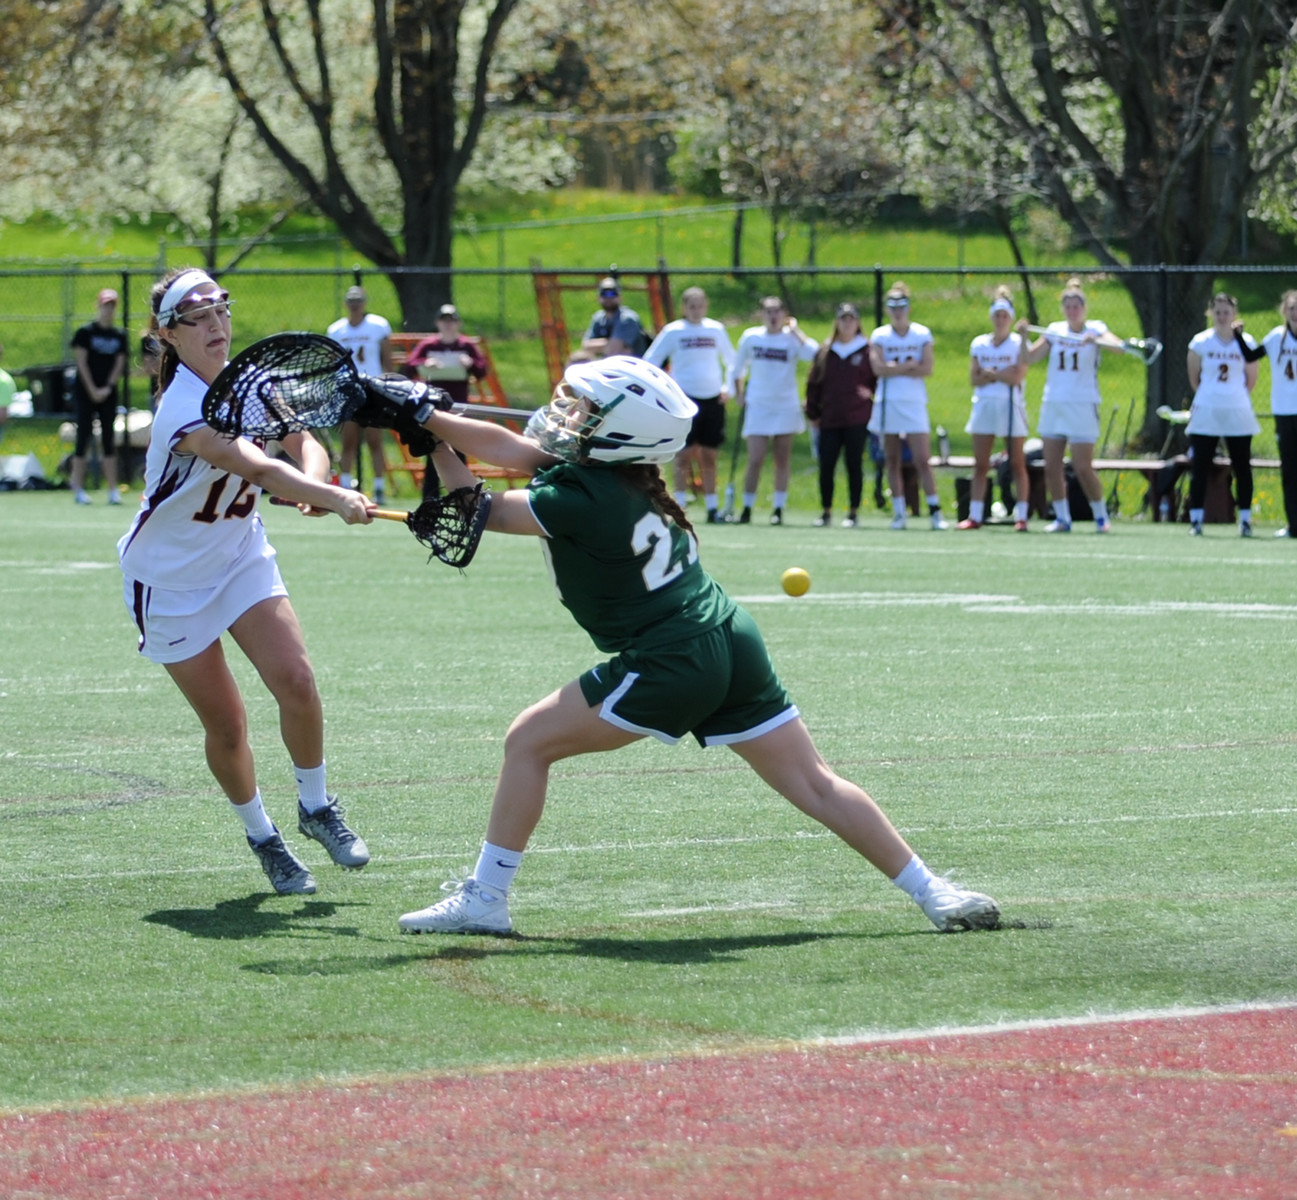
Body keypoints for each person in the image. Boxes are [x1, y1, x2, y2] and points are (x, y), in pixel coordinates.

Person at [392, 356, 1001, 936]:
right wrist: (432, 423)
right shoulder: (613, 475)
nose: (569, 414)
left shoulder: (582, 496)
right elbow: (509, 451)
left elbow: (478, 511)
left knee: (528, 741)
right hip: (729, 636)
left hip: (672, 656)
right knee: (814, 782)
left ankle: (486, 898)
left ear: (620, 433)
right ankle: (934, 892)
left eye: (586, 410)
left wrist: (430, 427)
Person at [118, 267, 376, 895]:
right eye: (198, 317)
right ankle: (264, 838)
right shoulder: (181, 408)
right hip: (170, 581)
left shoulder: (251, 383)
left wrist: (318, 482)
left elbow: (302, 443)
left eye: (221, 311)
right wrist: (330, 497)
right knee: (229, 725)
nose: (216, 325)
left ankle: (316, 806)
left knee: (298, 681)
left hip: (240, 557)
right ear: (168, 334)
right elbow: (256, 465)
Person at [1020, 278, 1131, 533]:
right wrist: (1023, 337)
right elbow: (1030, 358)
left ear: (1084, 308)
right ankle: (1062, 518)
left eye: (1076, 307)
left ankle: (1101, 516)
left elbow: (1119, 347)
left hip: (1082, 404)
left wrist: (1096, 340)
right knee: (1052, 465)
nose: (1072, 311)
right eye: (1068, 307)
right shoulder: (1055, 330)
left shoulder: (1096, 328)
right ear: (1063, 309)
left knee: (1082, 466)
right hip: (1054, 403)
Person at [1234, 290, 1297, 539]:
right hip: (1285, 412)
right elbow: (1252, 355)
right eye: (1291, 308)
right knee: (1291, 471)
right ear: (1284, 311)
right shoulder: (1276, 337)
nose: (1295, 313)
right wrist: (1238, 336)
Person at [644, 286, 736, 523]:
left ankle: (712, 507)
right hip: (684, 400)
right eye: (691, 306)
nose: (696, 310)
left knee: (709, 454)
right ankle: (679, 505)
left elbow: (732, 362)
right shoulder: (673, 331)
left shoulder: (715, 329)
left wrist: (729, 388)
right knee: (683, 454)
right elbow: (651, 361)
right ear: (684, 308)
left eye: (700, 305)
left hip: (713, 399)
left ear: (706, 306)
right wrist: (666, 391)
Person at [730, 296, 817, 524]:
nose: (773, 316)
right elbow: (737, 369)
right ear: (762, 314)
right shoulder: (751, 337)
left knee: (782, 459)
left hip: (785, 405)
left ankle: (778, 508)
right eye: (768, 311)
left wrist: (796, 331)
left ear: (784, 314)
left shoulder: (791, 339)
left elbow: (815, 354)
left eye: (777, 311)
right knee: (755, 458)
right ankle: (747, 507)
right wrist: (739, 393)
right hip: (759, 404)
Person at [869, 283, 947, 530]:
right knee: (891, 459)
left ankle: (935, 511)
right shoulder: (880, 335)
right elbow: (878, 368)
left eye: (901, 306)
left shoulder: (922, 334)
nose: (897, 311)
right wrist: (908, 366)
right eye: (892, 306)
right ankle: (899, 513)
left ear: (909, 307)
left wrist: (895, 368)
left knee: (922, 459)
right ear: (887, 309)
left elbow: (927, 368)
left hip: (913, 403)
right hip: (888, 402)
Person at [1184, 292, 1261, 537]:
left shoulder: (1246, 341)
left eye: (1226, 312)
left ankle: (1245, 520)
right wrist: (1213, 395)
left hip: (1237, 409)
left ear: (1234, 314)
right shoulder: (1200, 342)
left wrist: (1232, 396)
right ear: (1211, 313)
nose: (1222, 316)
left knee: (1242, 465)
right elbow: (1194, 378)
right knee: (1200, 465)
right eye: (1217, 312)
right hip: (1207, 408)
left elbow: (1251, 379)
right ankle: (1196, 519)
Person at [404, 303, 491, 501]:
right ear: (438, 323)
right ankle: (430, 499)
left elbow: (482, 370)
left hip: (457, 406)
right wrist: (425, 364)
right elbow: (410, 366)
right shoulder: (429, 345)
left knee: (459, 452)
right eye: (444, 320)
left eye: (452, 321)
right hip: (434, 407)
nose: (448, 324)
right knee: (433, 451)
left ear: (458, 323)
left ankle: (464, 498)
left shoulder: (466, 345)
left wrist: (470, 363)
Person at [961, 286, 1030, 531]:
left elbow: (1018, 375)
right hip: (984, 406)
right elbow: (974, 378)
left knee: (1017, 463)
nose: (1000, 320)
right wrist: (1001, 374)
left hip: (1010, 406)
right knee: (980, 464)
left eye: (1005, 316)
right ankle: (975, 515)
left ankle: (1022, 516)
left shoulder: (1018, 343)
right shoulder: (980, 344)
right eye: (997, 315)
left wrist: (993, 374)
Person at [804, 302, 876, 528]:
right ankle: (826, 511)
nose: (847, 323)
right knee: (826, 465)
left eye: (851, 319)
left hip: (857, 418)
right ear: (837, 322)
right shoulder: (826, 350)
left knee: (854, 464)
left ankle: (853, 512)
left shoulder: (867, 350)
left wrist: (871, 394)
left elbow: (877, 379)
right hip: (830, 418)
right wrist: (813, 412)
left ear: (858, 322)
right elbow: (813, 384)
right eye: (843, 319)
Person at [328, 285, 393, 503]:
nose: (355, 306)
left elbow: (387, 358)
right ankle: (345, 485)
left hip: (373, 388)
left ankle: (379, 487)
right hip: (349, 389)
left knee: (375, 440)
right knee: (348, 440)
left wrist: (389, 384)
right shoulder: (337, 330)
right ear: (346, 304)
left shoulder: (378, 325)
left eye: (358, 301)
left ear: (364, 303)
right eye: (351, 301)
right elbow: (333, 362)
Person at [70, 288, 129, 505]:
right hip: (85, 392)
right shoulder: (85, 333)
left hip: (108, 394)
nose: (108, 310)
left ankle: (113, 490)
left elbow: (119, 363)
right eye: (105, 305)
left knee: (108, 440)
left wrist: (107, 388)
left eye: (112, 306)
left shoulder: (119, 335)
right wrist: (93, 389)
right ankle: (77, 488)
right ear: (98, 306)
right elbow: (81, 362)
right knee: (83, 437)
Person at [580, 276, 650, 359]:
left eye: (613, 293)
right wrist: (613, 345)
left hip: (633, 365)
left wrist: (599, 347)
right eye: (604, 294)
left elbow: (613, 350)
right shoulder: (598, 318)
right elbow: (586, 347)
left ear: (620, 297)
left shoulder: (627, 319)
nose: (608, 297)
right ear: (598, 298)